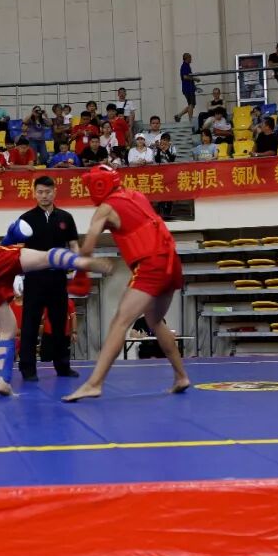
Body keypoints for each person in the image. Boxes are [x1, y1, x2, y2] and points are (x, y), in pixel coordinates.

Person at [0, 184, 112, 395]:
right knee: (45, 257)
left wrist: (8, 239)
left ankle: (3, 380)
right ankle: (83, 263)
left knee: (8, 328)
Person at [63, 165, 190, 402]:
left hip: (151, 264)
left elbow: (87, 248)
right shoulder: (136, 195)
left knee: (119, 321)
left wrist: (80, 264)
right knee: (155, 321)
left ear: (99, 186)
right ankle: (181, 376)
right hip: (171, 260)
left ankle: (94, 384)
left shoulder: (105, 208)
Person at [19, 176, 81, 381]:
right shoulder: (26, 219)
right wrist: (17, 274)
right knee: (29, 324)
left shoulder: (66, 217)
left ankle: (63, 366)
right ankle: (28, 369)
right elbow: (18, 249)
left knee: (59, 324)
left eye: (47, 192)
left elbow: (73, 244)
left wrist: (77, 265)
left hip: (57, 278)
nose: (44, 196)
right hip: (34, 278)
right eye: (40, 192)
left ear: (54, 192)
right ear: (34, 193)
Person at [174, 52, 199, 122]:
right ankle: (190, 120)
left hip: (189, 88)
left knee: (191, 105)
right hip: (188, 88)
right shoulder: (185, 66)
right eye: (190, 57)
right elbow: (185, 77)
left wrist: (194, 86)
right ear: (186, 58)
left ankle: (179, 115)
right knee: (191, 104)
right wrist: (195, 79)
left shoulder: (186, 66)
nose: (191, 59)